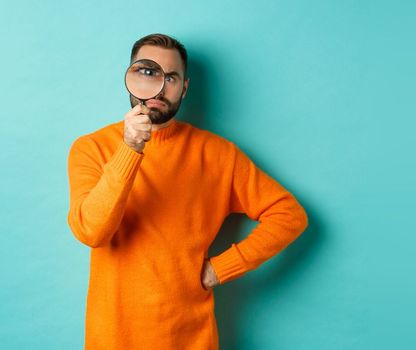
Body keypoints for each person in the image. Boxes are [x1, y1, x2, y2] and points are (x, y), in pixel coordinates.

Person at [66, 33, 309, 349]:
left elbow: (288, 214)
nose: (161, 87)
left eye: (171, 77)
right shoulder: (91, 148)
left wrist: (222, 268)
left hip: (190, 338)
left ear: (185, 88)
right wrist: (130, 148)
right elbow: (91, 232)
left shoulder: (218, 155)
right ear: (131, 77)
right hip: (113, 337)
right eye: (149, 72)